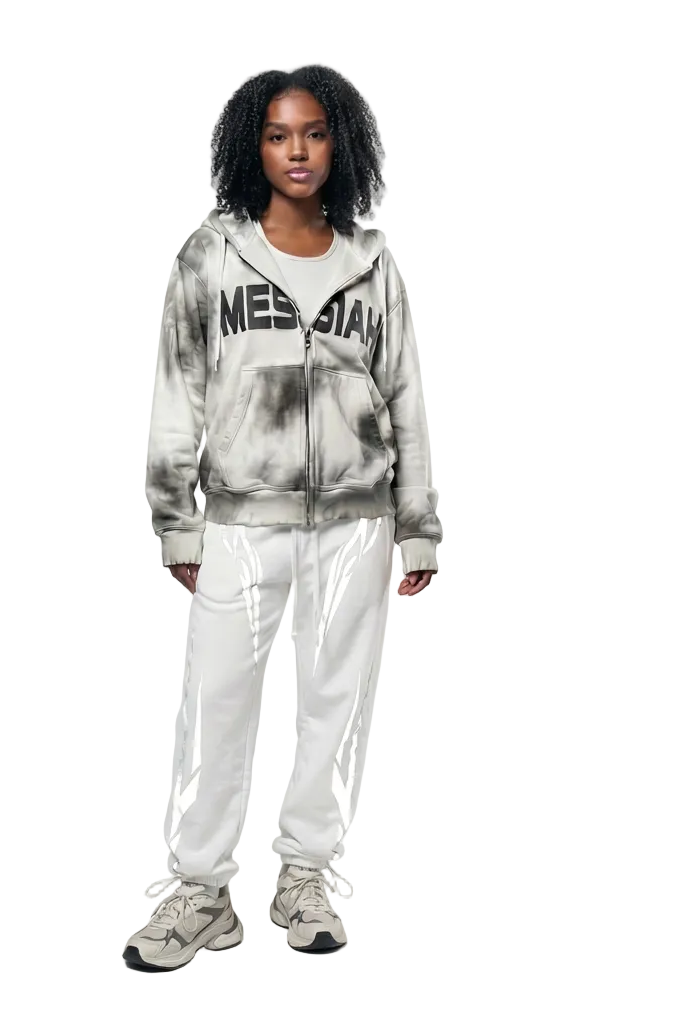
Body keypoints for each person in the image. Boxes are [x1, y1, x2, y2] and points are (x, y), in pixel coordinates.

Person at [123, 65, 443, 972]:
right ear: (251, 146)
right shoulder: (211, 256)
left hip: (357, 520)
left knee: (336, 703)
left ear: (341, 143)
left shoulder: (372, 263)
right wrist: (176, 519)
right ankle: (199, 889)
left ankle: (305, 874)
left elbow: (406, 395)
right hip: (241, 519)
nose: (296, 151)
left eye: (312, 132)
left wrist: (417, 523)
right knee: (215, 701)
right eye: (276, 134)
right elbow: (177, 391)